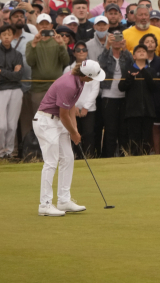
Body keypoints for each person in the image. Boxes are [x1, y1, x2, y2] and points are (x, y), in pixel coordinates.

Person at [34, 59, 105, 216]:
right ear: (86, 75)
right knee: (51, 162)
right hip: (46, 122)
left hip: (58, 122)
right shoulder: (69, 84)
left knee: (68, 158)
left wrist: (75, 128)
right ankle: (44, 204)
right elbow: (63, 114)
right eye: (92, 77)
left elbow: (70, 105)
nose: (93, 80)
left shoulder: (79, 82)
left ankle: (63, 200)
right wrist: (73, 132)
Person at [0, 25, 24, 158]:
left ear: (13, 36)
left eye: (9, 34)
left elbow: (19, 76)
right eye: (4, 34)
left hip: (16, 90)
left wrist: (1, 71)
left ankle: (8, 152)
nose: (7, 37)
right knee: (1, 126)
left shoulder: (17, 54)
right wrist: (11, 73)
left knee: (12, 125)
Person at [97, 30, 133, 157]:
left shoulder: (125, 55)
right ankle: (108, 156)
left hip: (124, 97)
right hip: (108, 96)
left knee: (123, 130)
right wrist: (107, 46)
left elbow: (133, 65)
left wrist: (126, 48)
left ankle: (123, 155)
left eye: (119, 38)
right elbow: (100, 65)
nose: (117, 41)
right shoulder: (106, 55)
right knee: (110, 130)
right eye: (114, 38)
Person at [26, 14, 70, 114]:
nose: (44, 26)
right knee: (39, 117)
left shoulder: (58, 41)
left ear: (51, 26)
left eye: (47, 24)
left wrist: (61, 45)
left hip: (56, 87)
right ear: (37, 26)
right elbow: (30, 62)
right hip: (38, 88)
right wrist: (34, 45)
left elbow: (66, 61)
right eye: (41, 24)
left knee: (56, 117)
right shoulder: (31, 43)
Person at [118, 44, 156, 155]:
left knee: (146, 140)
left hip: (148, 111)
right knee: (134, 140)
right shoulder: (129, 70)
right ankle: (134, 159)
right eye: (138, 51)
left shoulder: (151, 70)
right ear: (134, 56)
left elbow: (154, 88)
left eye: (144, 51)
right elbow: (121, 87)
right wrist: (130, 78)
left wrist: (144, 72)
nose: (141, 52)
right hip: (132, 112)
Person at [62, 41, 99, 157]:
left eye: (84, 50)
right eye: (78, 50)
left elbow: (95, 88)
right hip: (73, 108)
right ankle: (75, 157)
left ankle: (89, 156)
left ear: (87, 52)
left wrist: (86, 107)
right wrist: (75, 106)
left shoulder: (93, 67)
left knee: (89, 134)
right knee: (74, 133)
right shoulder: (68, 69)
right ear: (74, 53)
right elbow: (66, 90)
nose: (81, 52)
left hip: (89, 108)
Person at [140, 33, 160, 154]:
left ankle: (157, 153)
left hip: (157, 100)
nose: (150, 44)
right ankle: (145, 153)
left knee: (156, 128)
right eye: (147, 41)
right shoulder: (138, 62)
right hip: (142, 100)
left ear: (156, 45)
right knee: (145, 129)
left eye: (152, 41)